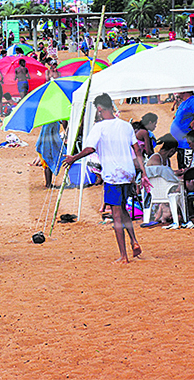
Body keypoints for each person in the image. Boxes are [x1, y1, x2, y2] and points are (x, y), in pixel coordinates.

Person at [64, 94, 151, 263]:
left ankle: (123, 256)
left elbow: (90, 149)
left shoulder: (99, 127)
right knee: (123, 209)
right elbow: (138, 150)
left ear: (99, 109)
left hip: (113, 175)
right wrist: (144, 173)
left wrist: (73, 157)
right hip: (128, 174)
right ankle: (134, 241)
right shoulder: (126, 126)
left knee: (116, 215)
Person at [170, 91, 194, 169]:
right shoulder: (183, 102)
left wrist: (193, 124)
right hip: (180, 143)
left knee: (187, 169)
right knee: (182, 166)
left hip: (187, 143)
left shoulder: (192, 100)